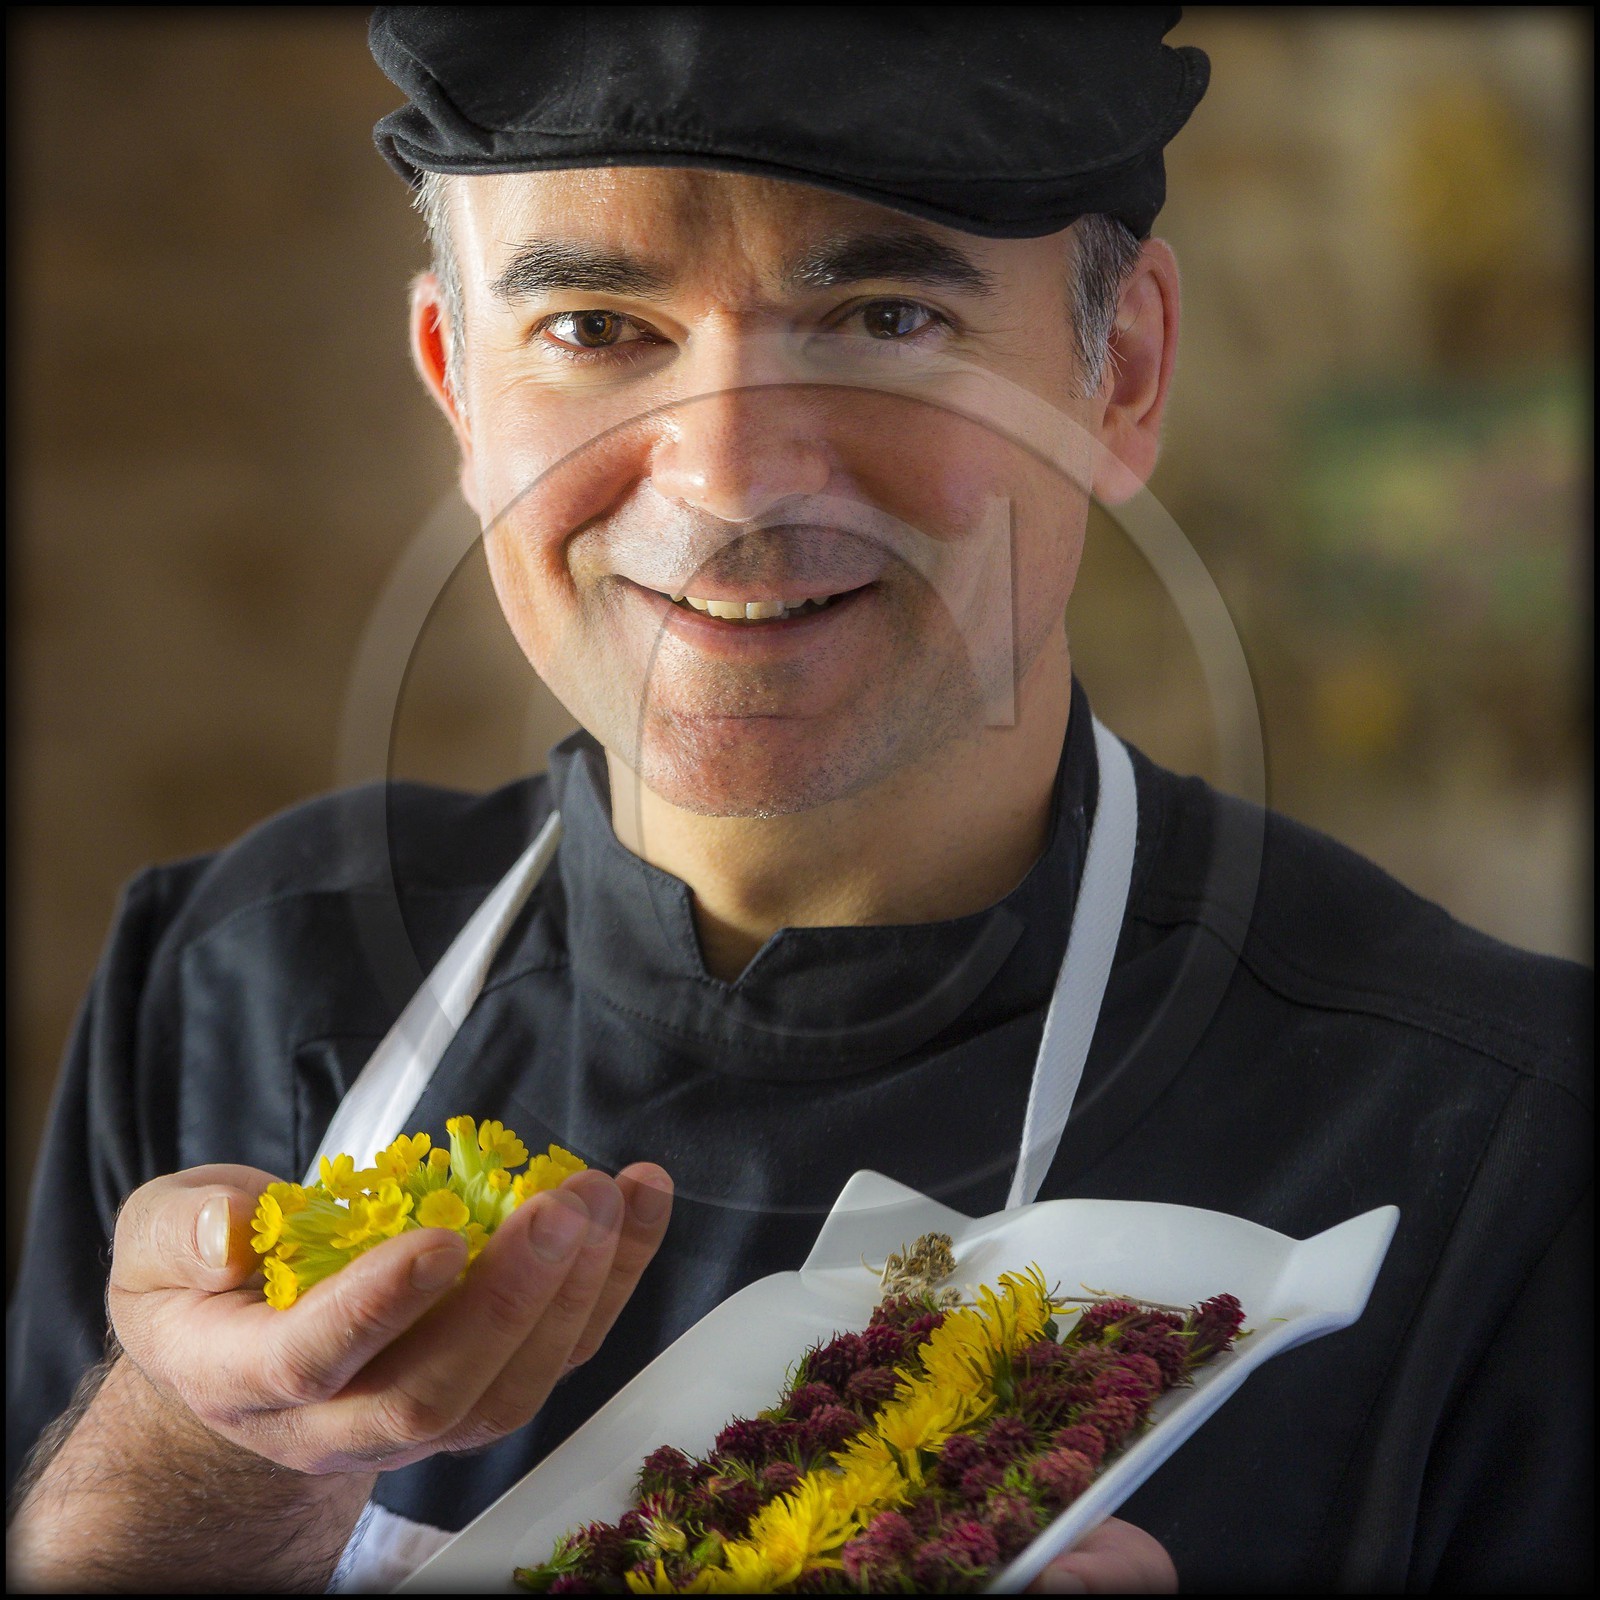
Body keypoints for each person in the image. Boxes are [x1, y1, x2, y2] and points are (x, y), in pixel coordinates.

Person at [8, 9, 1590, 1594]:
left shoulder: (1506, 1146)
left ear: (1123, 375)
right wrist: (199, 1459)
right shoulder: (231, 981)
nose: (730, 477)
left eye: (886, 315)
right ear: (457, 385)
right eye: (597, 328)